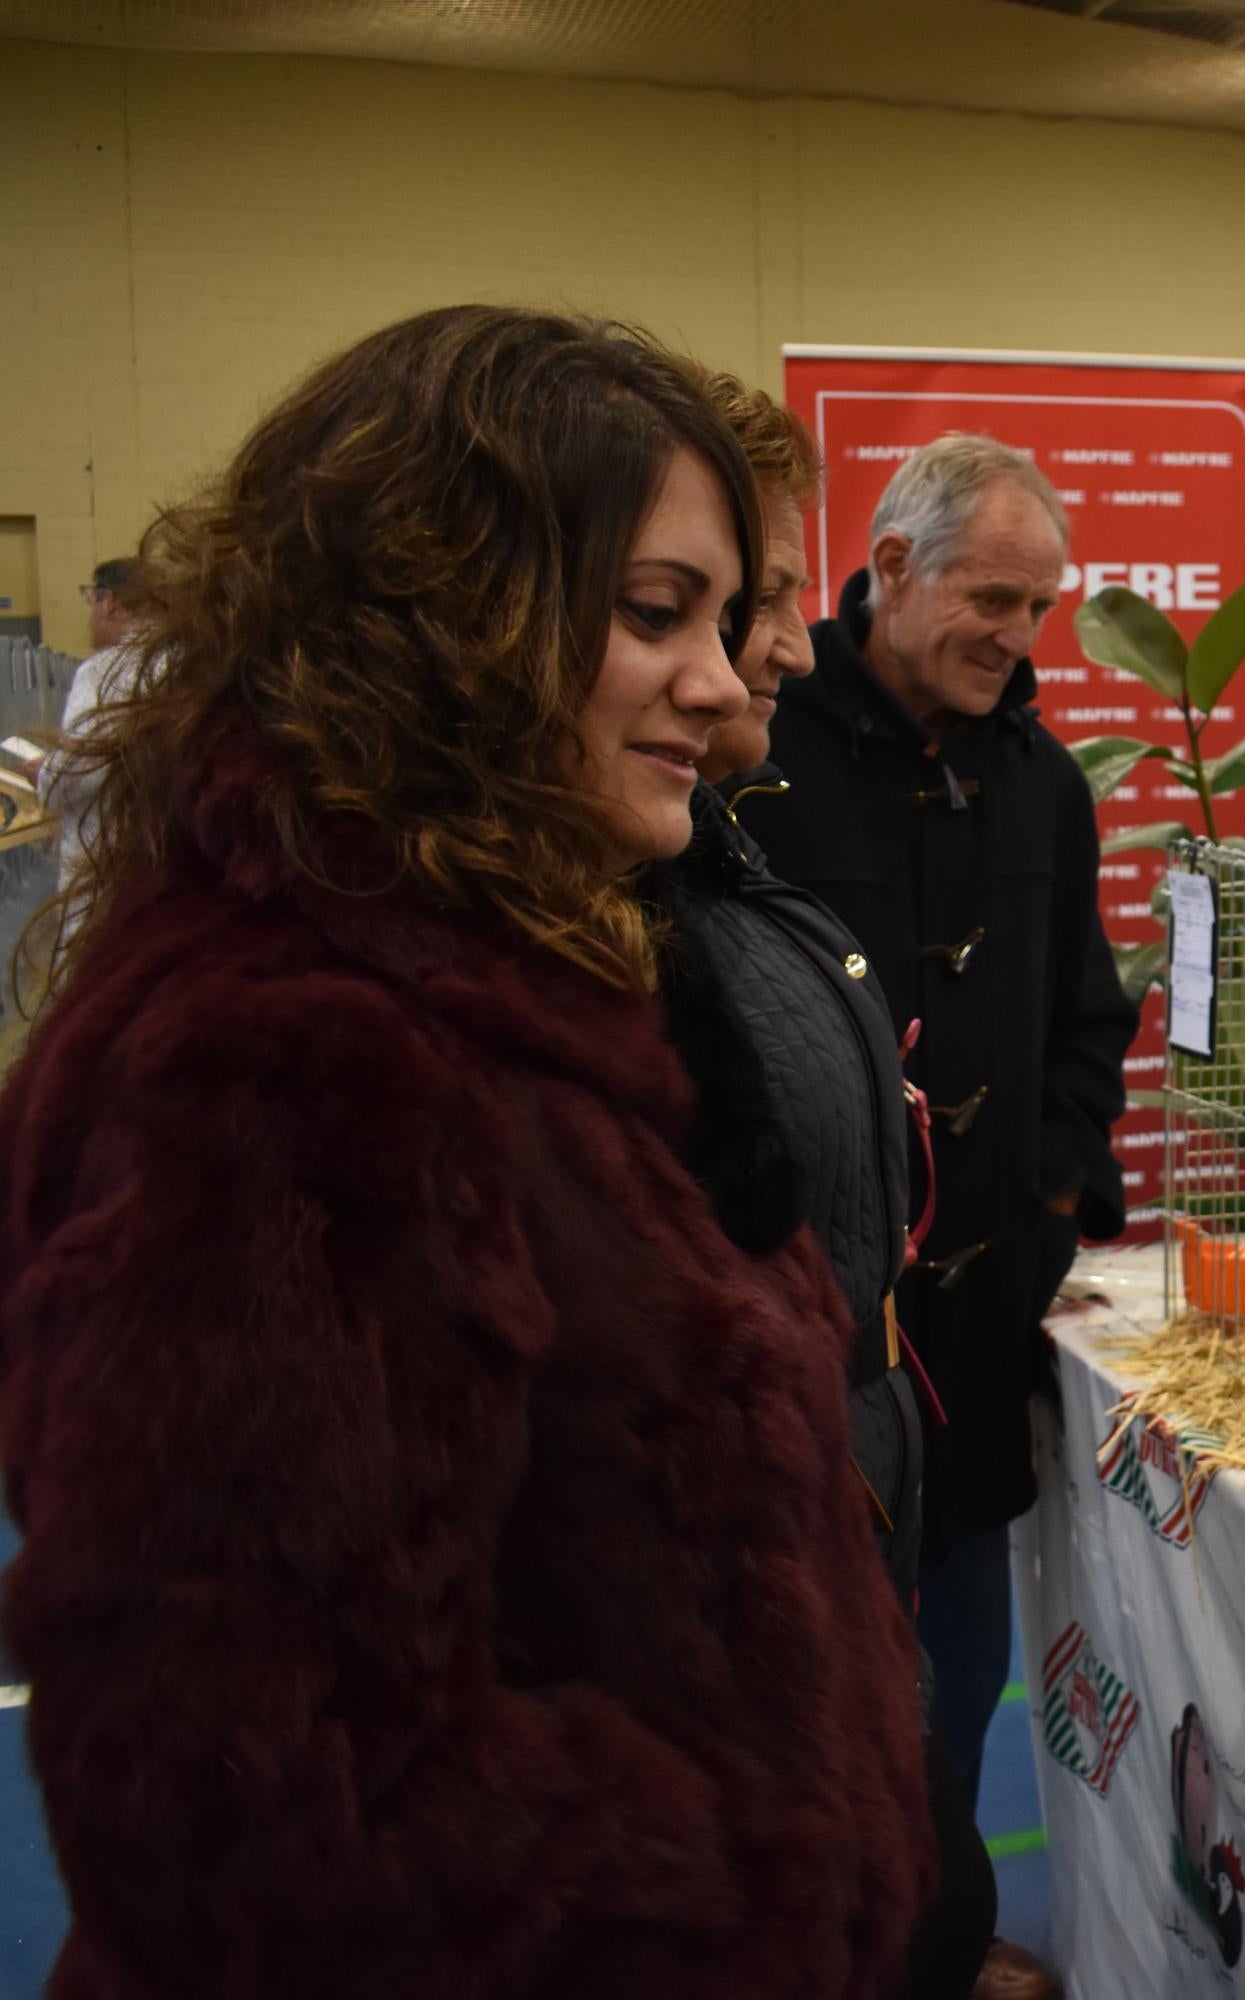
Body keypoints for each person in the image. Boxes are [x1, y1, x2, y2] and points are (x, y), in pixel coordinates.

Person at [0, 305, 933, 1997]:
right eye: (657, 615)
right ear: (449, 615)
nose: (724, 684)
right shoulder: (289, 1061)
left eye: (724, 619)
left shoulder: (525, 969)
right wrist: (742, 1890)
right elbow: (244, 1795)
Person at [751, 432, 1136, 2000]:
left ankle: (937, 1945)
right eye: (993, 597)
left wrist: (1046, 1193)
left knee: (958, 1680)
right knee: (794, 1688)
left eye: (1041, 609)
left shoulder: (1042, 780)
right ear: (891, 568)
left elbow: (1084, 1021)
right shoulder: (755, 748)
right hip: (797, 1340)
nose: (1018, 637)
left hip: (972, 1338)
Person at [653, 372, 998, 2000]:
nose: (759, 650)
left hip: (855, 1467)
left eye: (756, 604)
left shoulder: (700, 853)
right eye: (693, 607)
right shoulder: (617, 896)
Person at [46, 556, 146, 885]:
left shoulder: (103, 671)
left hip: (100, 856)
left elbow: (78, 767)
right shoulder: (182, 660)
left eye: (90, 599)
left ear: (109, 603)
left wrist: (43, 773)